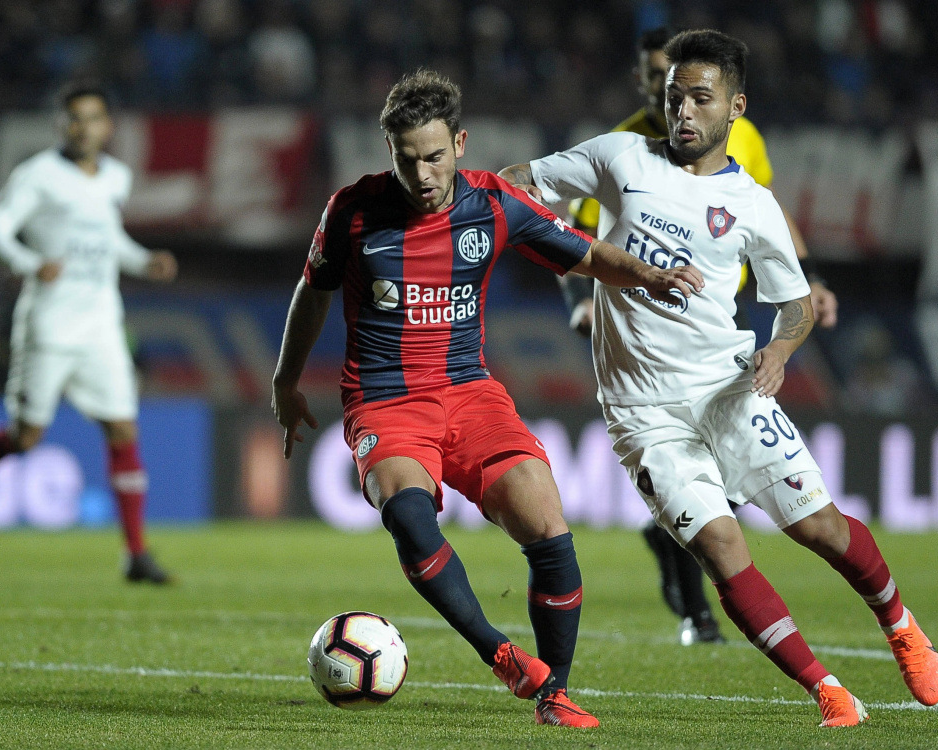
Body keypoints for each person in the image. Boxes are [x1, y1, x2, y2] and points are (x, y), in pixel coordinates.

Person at [499, 29, 938, 727]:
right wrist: (471, 188)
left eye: (699, 98)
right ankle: (826, 691)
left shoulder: (753, 204)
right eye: (675, 96)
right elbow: (526, 179)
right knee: (717, 545)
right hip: (644, 411)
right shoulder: (620, 155)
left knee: (820, 528)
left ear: (735, 106)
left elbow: (793, 303)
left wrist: (781, 350)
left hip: (729, 388)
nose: (682, 111)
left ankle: (898, 621)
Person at [271, 68, 702, 728]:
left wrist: (649, 275)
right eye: (408, 159)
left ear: (461, 144)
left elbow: (585, 255)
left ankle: (554, 694)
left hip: (471, 394)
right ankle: (498, 653)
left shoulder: (494, 203)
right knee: (409, 518)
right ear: (389, 152)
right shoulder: (352, 211)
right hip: (385, 402)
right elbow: (313, 291)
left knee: (546, 522)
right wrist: (285, 381)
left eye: (435, 157)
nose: (423, 175)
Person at [561, 27, 840, 647]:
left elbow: (765, 208)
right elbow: (570, 230)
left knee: (725, 487)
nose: (671, 95)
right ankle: (699, 611)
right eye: (656, 78)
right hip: (646, 321)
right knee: (699, 498)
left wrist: (808, 278)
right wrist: (581, 300)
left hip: (720, 315)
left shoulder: (742, 142)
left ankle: (684, 576)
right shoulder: (625, 147)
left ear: (729, 99)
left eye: (684, 82)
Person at [0, 82, 177, 584]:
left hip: (101, 326)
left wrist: (142, 260)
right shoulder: (38, 175)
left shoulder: (115, 176)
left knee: (124, 429)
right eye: (73, 118)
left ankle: (136, 554)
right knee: (26, 437)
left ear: (108, 126)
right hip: (48, 326)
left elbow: (107, 239)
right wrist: (29, 262)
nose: (82, 127)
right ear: (61, 125)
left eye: (92, 118)